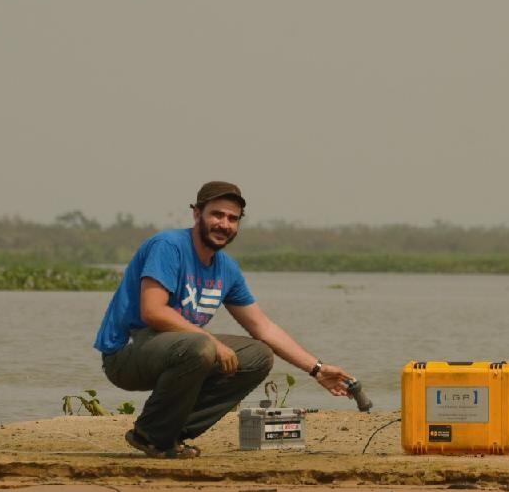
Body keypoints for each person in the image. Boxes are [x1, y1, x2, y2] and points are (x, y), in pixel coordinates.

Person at [94, 181, 354, 458]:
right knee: (201, 347)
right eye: (217, 215)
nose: (224, 224)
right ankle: (153, 433)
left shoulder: (226, 269)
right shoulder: (168, 246)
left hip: (177, 349)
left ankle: (166, 433)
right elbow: (153, 311)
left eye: (232, 219)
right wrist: (209, 341)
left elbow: (263, 327)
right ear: (197, 214)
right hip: (128, 352)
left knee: (258, 355)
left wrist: (317, 369)